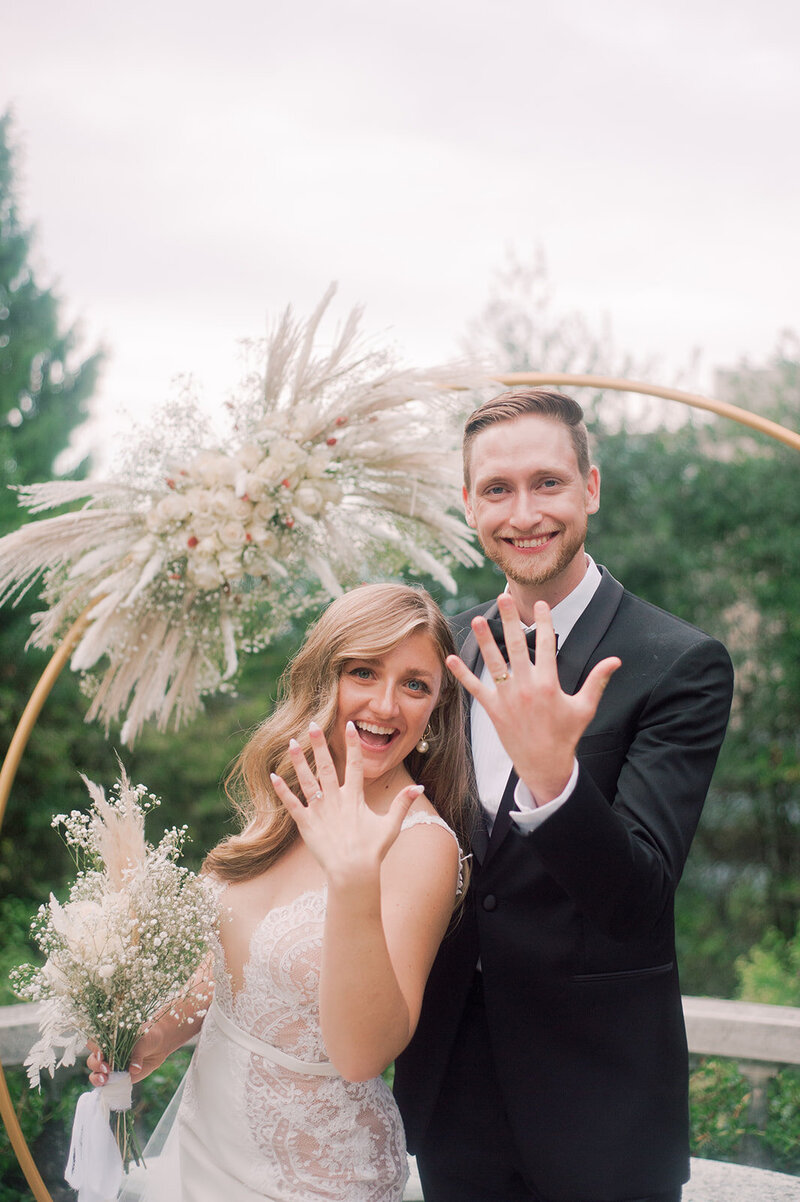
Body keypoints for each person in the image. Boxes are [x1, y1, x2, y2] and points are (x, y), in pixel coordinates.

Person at [393, 389, 735, 1202]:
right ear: (469, 503)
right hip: (452, 1100)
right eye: (498, 490)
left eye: (547, 483)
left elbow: (639, 897)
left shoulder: (678, 663)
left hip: (604, 1109)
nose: (524, 513)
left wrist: (554, 778)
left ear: (591, 486)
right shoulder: (442, 653)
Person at [89, 582, 473, 1202]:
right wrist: (150, 1037)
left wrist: (353, 881)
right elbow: (228, 975)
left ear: (435, 711)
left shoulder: (422, 843)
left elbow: (362, 1056)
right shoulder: (288, 800)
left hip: (314, 1177)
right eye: (364, 671)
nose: (384, 703)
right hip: (203, 1147)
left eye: (415, 684)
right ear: (326, 680)